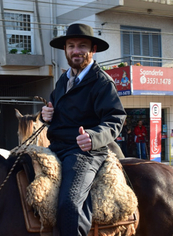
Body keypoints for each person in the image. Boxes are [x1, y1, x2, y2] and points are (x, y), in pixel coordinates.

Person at [41, 23, 126, 236]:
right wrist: (47, 116)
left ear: (92, 50)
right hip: (56, 147)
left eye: (82, 46)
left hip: (84, 152)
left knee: (70, 205)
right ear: (65, 50)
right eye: (71, 46)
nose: (75, 51)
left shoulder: (102, 82)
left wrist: (93, 137)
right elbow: (56, 111)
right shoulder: (62, 80)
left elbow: (116, 118)